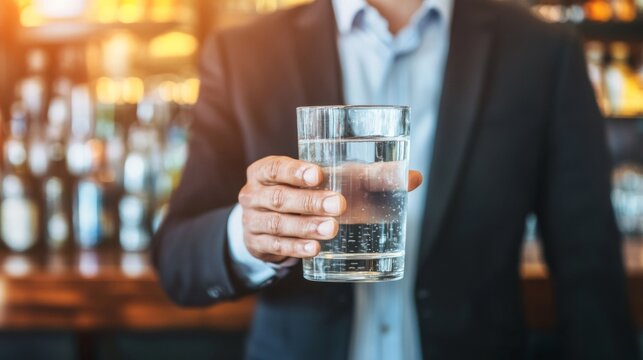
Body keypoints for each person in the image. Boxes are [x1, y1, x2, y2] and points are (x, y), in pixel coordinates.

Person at [152, 0, 639, 359]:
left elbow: (588, 266)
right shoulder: (243, 55)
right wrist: (248, 234)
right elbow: (177, 257)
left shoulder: (540, 53)